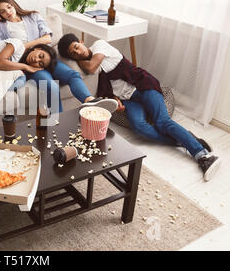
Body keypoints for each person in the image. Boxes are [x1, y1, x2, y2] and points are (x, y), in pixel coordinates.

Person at [58, 33, 221, 181]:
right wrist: (114, 98)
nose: (77, 53)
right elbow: (107, 84)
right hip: (130, 100)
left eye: (76, 47)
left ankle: (203, 156)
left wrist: (77, 59)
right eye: (73, 54)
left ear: (81, 41)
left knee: (162, 122)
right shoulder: (94, 63)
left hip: (144, 86)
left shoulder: (99, 46)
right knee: (139, 127)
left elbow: (91, 67)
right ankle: (187, 139)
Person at [0, 0, 117, 114]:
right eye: (2, 11)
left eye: (8, 7)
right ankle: (58, 123)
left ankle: (90, 102)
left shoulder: (32, 16)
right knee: (51, 86)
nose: (8, 12)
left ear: (13, 4)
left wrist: (23, 46)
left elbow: (47, 38)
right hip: (27, 64)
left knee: (73, 75)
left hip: (45, 56)